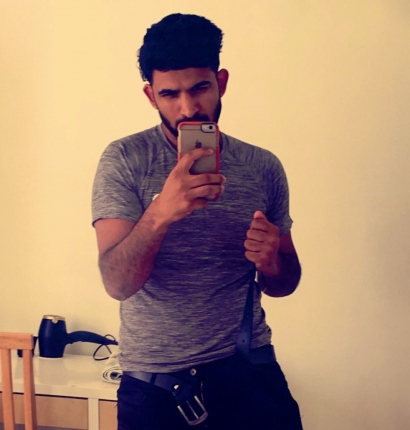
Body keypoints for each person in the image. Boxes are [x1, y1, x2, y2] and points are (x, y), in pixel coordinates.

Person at [92, 13, 303, 430]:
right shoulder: (125, 160)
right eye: (170, 94)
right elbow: (117, 283)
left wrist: (271, 263)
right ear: (151, 95)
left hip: (248, 369)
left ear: (221, 82)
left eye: (199, 89)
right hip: (154, 387)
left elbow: (285, 282)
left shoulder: (262, 167)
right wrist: (161, 213)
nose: (187, 108)